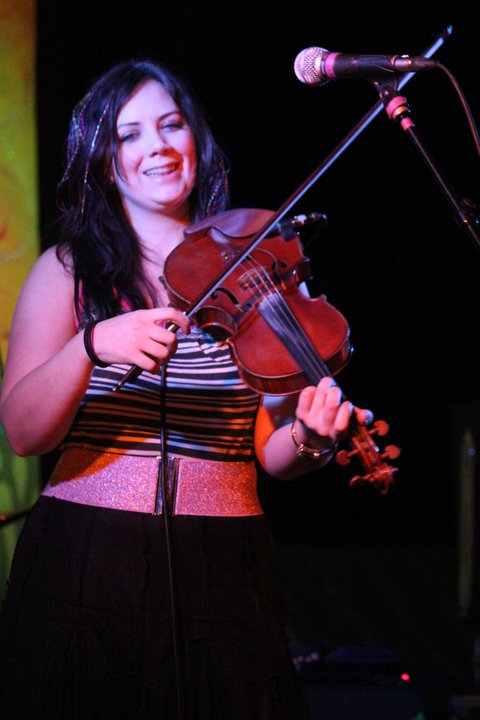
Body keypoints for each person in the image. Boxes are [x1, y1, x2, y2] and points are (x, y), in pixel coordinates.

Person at [0, 59, 366, 720]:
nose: (158, 147)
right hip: (88, 557)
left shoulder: (264, 266)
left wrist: (310, 438)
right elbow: (24, 434)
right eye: (130, 134)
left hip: (223, 561)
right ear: (105, 161)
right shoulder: (68, 270)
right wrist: (90, 346)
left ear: (196, 138)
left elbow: (272, 451)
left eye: (171, 126)